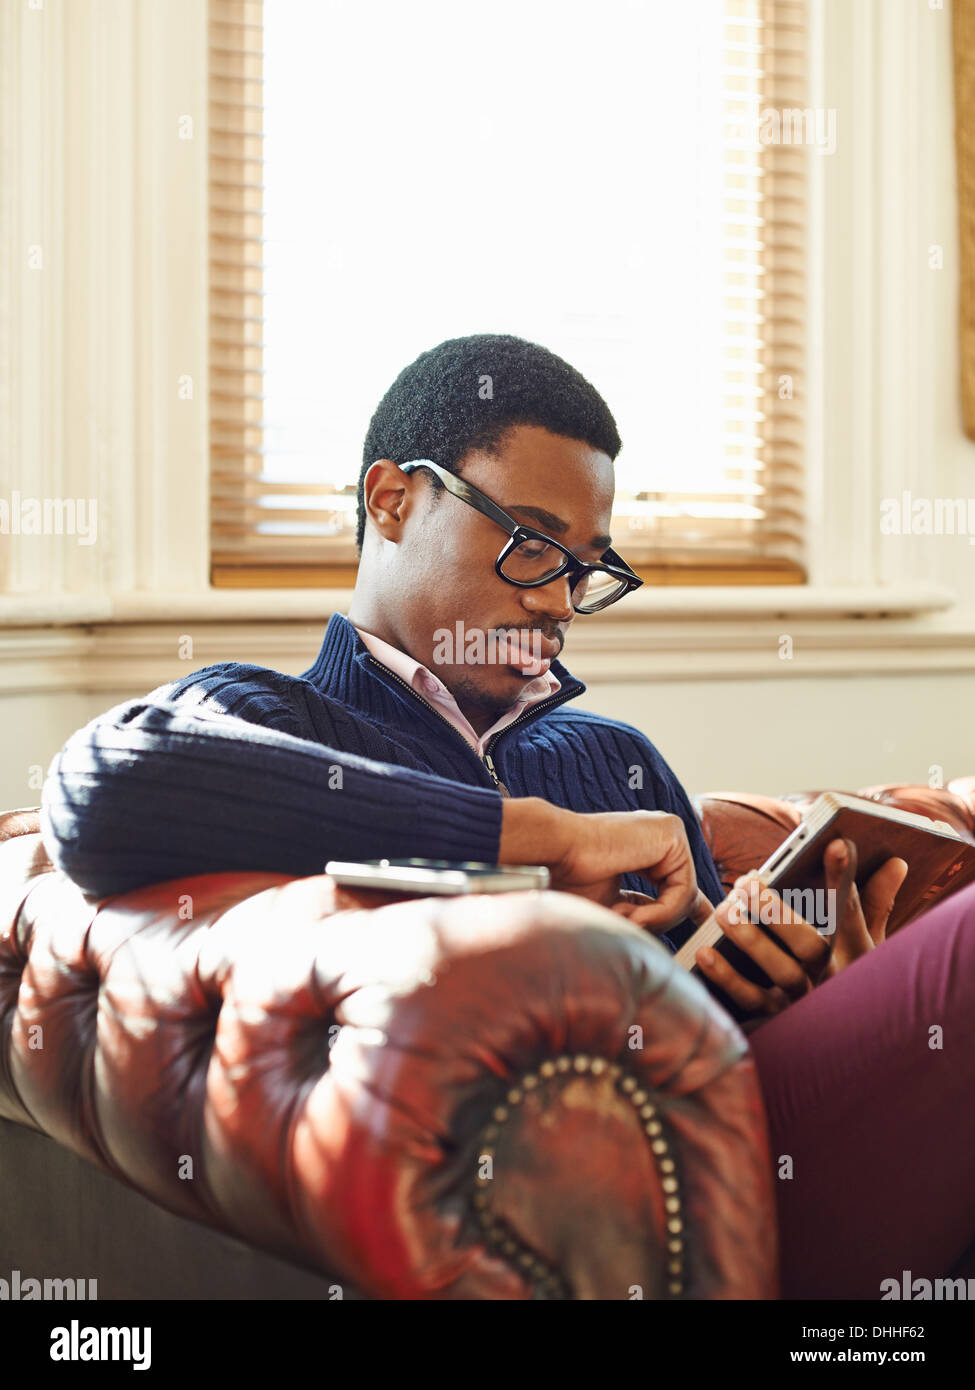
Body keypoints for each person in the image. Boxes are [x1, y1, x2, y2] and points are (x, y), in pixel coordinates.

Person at [40, 333, 975, 1299]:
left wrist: (813, 987)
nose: (559, 601)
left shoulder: (617, 761)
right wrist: (549, 838)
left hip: (736, 1143)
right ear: (390, 500)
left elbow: (704, 1013)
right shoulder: (263, 717)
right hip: (597, 1204)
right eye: (531, 544)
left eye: (583, 567)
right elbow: (100, 787)